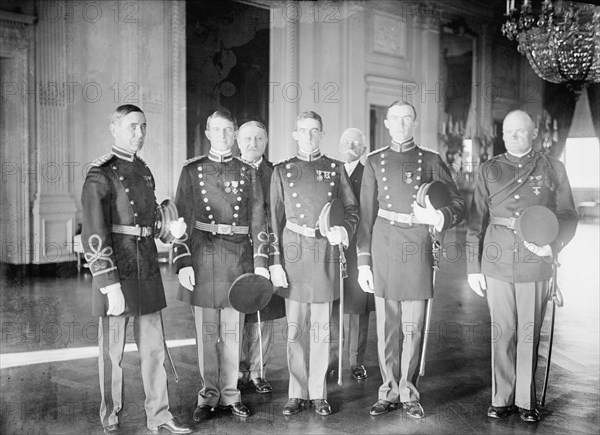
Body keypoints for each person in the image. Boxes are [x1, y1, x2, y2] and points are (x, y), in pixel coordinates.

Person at [81, 104, 191, 434]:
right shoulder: (100, 173)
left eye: (143, 126)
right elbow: (94, 231)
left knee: (154, 350)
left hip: (146, 269)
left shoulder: (143, 170)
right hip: (117, 271)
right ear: (114, 128)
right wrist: (108, 282)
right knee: (111, 354)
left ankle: (159, 416)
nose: (139, 133)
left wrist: (169, 230)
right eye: (132, 126)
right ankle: (110, 418)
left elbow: (151, 222)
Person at [466, 109, 578, 422]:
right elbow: (476, 220)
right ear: (502, 136)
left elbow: (569, 215)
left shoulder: (552, 167)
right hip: (497, 258)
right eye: (509, 132)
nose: (514, 137)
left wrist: (552, 245)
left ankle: (527, 401)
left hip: (536, 258)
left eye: (521, 131)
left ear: (534, 133)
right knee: (503, 331)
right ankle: (502, 397)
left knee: (528, 332)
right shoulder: (489, 169)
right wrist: (472, 267)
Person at [356, 101, 465, 419]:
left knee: (413, 326)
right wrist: (363, 261)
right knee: (387, 326)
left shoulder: (431, 160)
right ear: (387, 124)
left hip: (418, 243)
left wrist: (438, 215)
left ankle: (409, 391)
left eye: (407, 118)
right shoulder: (374, 160)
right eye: (396, 119)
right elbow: (365, 215)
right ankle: (388, 390)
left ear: (414, 123)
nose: (401, 124)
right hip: (385, 243)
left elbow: (457, 202)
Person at [172, 109, 268, 421]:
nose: (223, 136)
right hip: (202, 256)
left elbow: (258, 220)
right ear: (208, 133)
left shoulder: (248, 171)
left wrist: (262, 263)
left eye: (228, 130)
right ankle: (207, 396)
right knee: (206, 332)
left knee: (233, 332)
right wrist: (182, 260)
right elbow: (181, 219)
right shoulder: (192, 170)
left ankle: (230, 394)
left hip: (238, 258)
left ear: (234, 132)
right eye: (217, 130)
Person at [270, 111, 359, 416]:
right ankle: (296, 393)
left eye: (314, 130)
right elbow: (274, 220)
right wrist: (275, 262)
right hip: (293, 252)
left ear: (322, 133)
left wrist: (343, 229)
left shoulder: (335, 169)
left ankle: (318, 392)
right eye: (303, 130)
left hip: (324, 254)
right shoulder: (282, 170)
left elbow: (351, 208)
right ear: (295, 134)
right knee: (294, 330)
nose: (309, 136)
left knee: (321, 329)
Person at [236, 121, 286, 394]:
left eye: (258, 138)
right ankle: (237, 371)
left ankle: (257, 371)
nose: (252, 143)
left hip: (268, 251)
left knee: (264, 312)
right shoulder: (228, 171)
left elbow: (281, 215)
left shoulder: (276, 173)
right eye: (247, 138)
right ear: (237, 140)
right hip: (237, 251)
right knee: (238, 311)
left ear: (266, 141)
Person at [329, 128, 375, 381]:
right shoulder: (329, 171)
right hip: (332, 247)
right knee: (334, 304)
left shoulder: (369, 173)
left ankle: (356, 361)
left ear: (364, 149)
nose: (351, 146)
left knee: (358, 307)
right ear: (339, 145)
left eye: (357, 143)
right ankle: (332, 360)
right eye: (347, 142)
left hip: (358, 247)